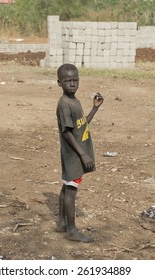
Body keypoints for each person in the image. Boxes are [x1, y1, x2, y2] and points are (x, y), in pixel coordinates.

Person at [55, 63, 104, 243]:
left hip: (75, 153)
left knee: (66, 186)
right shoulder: (64, 104)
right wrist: (83, 154)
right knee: (71, 190)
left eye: (75, 80)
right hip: (73, 154)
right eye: (68, 81)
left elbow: (81, 125)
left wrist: (94, 108)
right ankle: (72, 230)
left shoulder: (74, 101)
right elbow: (67, 133)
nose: (72, 84)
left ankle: (62, 223)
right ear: (59, 82)